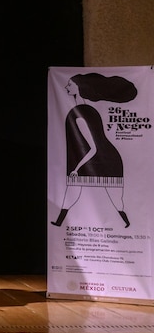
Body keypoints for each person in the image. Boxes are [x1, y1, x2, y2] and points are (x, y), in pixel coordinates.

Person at [51, 73, 137, 228]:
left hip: (106, 160)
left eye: (70, 85)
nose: (66, 87)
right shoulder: (82, 109)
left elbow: (93, 148)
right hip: (89, 158)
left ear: (79, 88)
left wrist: (76, 169)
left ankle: (127, 223)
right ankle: (58, 223)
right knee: (72, 191)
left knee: (116, 199)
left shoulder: (81, 113)